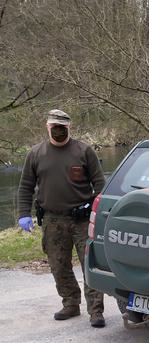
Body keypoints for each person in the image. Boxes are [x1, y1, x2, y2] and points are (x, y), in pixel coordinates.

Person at [17, 109, 106, 327]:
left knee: (89, 264)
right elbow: (26, 187)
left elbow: (100, 184)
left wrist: (96, 209)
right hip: (52, 220)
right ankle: (70, 304)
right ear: (47, 127)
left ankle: (95, 311)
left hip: (82, 219)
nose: (57, 130)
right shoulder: (36, 154)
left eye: (62, 127)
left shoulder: (84, 151)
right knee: (58, 266)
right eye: (53, 126)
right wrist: (23, 214)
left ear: (69, 127)